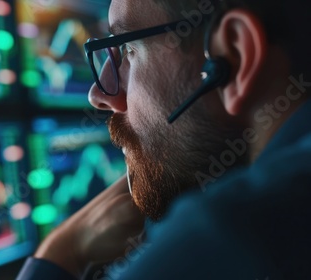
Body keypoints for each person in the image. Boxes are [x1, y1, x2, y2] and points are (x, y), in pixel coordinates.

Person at [18, 0, 311, 278]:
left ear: (235, 56)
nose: (98, 95)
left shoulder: (223, 235)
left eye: (128, 49)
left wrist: (62, 251)